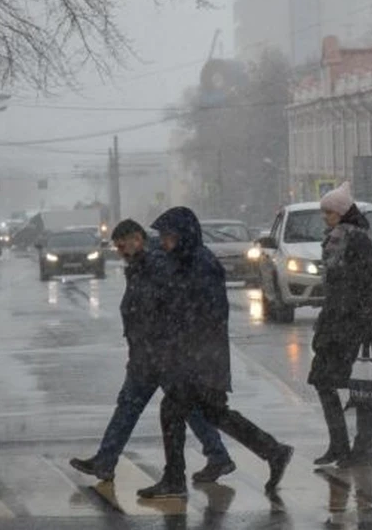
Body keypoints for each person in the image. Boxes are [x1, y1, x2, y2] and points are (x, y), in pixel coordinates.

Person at [137, 207, 293, 499]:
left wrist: (182, 337)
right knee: (214, 412)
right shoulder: (183, 261)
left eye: (168, 237)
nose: (165, 243)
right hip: (196, 356)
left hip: (201, 358)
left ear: (183, 236)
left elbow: (207, 313)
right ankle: (273, 451)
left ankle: (174, 480)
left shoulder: (201, 264)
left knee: (173, 410)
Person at [69, 219, 235, 483]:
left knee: (165, 407)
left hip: (159, 354)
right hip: (150, 353)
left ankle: (221, 456)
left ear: (137, 239)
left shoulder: (155, 265)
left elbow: (160, 308)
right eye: (118, 248)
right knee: (143, 406)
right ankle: (106, 460)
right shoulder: (141, 265)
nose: (121, 252)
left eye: (124, 245)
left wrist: (156, 343)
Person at [308, 182, 372, 468]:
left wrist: (366, 321)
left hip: (355, 326)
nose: (324, 217)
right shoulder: (333, 239)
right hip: (334, 324)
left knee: (362, 387)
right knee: (323, 381)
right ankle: (339, 445)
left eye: (328, 212)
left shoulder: (358, 241)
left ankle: (361, 448)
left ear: (341, 213)